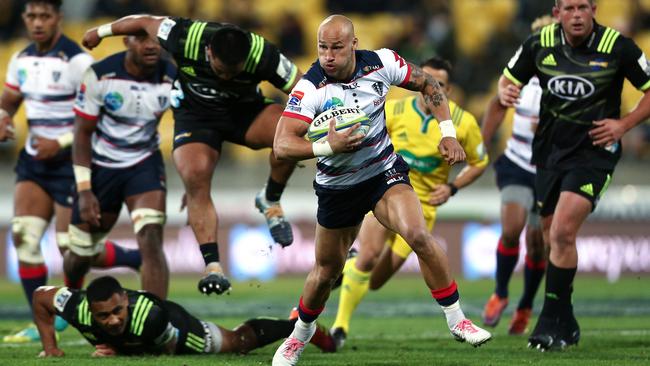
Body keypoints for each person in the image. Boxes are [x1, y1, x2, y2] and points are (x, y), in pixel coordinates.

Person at [271, 15, 491, 365]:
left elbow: (429, 84)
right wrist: (329, 147)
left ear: (354, 44)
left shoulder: (383, 63)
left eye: (337, 47)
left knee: (418, 235)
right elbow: (282, 145)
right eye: (322, 48)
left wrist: (447, 131)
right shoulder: (310, 89)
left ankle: (457, 319)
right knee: (326, 272)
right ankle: (299, 335)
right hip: (338, 188)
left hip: (382, 173)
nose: (328, 55)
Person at [80, 14, 304, 295]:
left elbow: (303, 89)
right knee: (195, 175)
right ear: (208, 51)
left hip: (245, 113)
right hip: (197, 118)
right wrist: (100, 32)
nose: (224, 77)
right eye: (220, 70)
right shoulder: (184, 36)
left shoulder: (263, 54)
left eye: (231, 73)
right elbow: (143, 22)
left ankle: (270, 199)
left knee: (293, 131)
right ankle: (213, 267)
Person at [500, 0, 650, 351]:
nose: (577, 15)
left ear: (594, 9)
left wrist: (623, 125)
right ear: (558, 13)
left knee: (564, 231)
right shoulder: (539, 43)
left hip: (594, 154)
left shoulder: (618, 46)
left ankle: (549, 323)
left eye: (583, 7)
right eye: (569, 8)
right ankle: (567, 320)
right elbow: (507, 81)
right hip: (550, 154)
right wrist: (504, 91)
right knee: (553, 238)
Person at [0, 0, 141, 343]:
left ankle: (133, 258)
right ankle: (42, 321)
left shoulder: (78, 62)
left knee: (70, 250)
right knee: (24, 238)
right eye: (31, 16)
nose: (37, 23)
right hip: (34, 163)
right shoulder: (20, 58)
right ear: (24, 18)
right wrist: (3, 117)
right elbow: (9, 100)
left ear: (58, 18)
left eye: (44, 16)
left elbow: (102, 113)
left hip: (70, 165)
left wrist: (61, 141)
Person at [329, 57, 489, 348]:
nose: (432, 88)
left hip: (422, 208)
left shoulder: (463, 123)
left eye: (439, 84)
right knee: (368, 255)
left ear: (448, 90)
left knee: (376, 280)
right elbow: (367, 136)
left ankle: (349, 267)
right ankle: (340, 327)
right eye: (428, 81)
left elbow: (480, 162)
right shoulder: (395, 109)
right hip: (386, 193)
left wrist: (452, 187)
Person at [65, 33, 176, 299]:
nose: (151, 45)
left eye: (155, 39)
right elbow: (81, 134)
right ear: (126, 42)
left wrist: (195, 184)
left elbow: (192, 124)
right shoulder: (100, 75)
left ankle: (154, 323)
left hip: (144, 164)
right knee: (81, 253)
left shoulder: (172, 77)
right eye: (141, 39)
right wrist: (84, 190)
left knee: (150, 237)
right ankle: (69, 301)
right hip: (102, 166)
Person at [32, 276, 336, 357]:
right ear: (89, 309)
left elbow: (164, 350)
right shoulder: (74, 304)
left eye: (117, 311)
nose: (112, 320)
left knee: (237, 342)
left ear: (126, 300)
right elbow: (40, 298)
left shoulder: (148, 317)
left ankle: (299, 324)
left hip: (176, 330)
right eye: (103, 316)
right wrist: (50, 346)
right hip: (150, 333)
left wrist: (121, 350)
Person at [480, 16, 555, 336]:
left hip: (551, 170)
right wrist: (481, 145)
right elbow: (497, 104)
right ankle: (500, 292)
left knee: (538, 246)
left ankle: (525, 305)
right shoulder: (518, 75)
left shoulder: (565, 80)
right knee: (511, 229)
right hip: (517, 162)